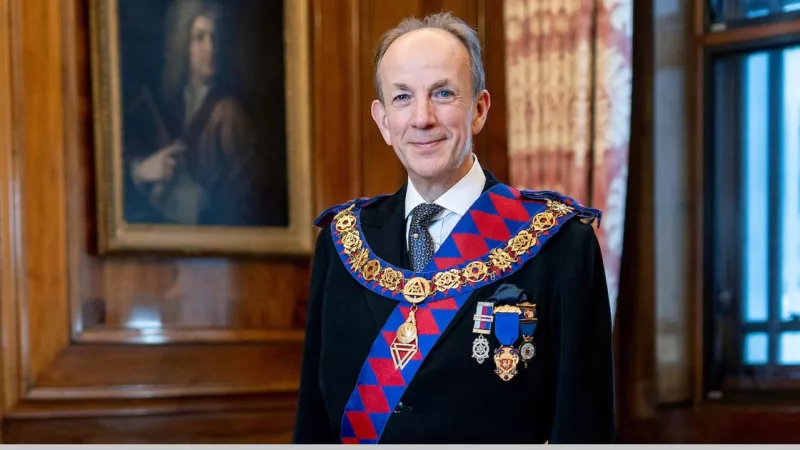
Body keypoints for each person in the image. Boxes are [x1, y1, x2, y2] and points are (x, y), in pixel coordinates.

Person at [293, 12, 614, 444]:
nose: (422, 118)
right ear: (383, 120)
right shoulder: (343, 240)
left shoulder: (561, 243)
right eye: (402, 98)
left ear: (479, 109)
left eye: (443, 93)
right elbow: (314, 423)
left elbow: (584, 427)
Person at [122, 0, 284, 227]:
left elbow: (247, 201)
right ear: (184, 45)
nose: (210, 48)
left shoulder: (230, 113)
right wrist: (145, 170)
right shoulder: (170, 103)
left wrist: (201, 207)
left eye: (215, 37)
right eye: (200, 38)